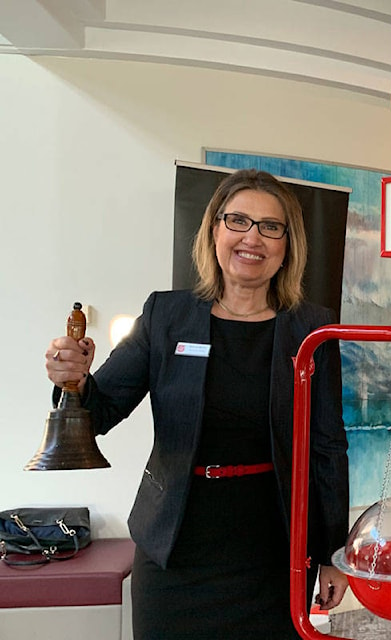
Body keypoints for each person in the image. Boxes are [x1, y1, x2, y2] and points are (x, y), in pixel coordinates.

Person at [45, 169, 350, 638]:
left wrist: (332, 552)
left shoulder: (313, 328)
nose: (253, 238)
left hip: (272, 551)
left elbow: (327, 447)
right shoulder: (165, 315)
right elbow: (99, 412)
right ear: (215, 230)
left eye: (272, 227)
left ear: (289, 244)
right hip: (174, 552)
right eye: (239, 221)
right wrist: (76, 382)